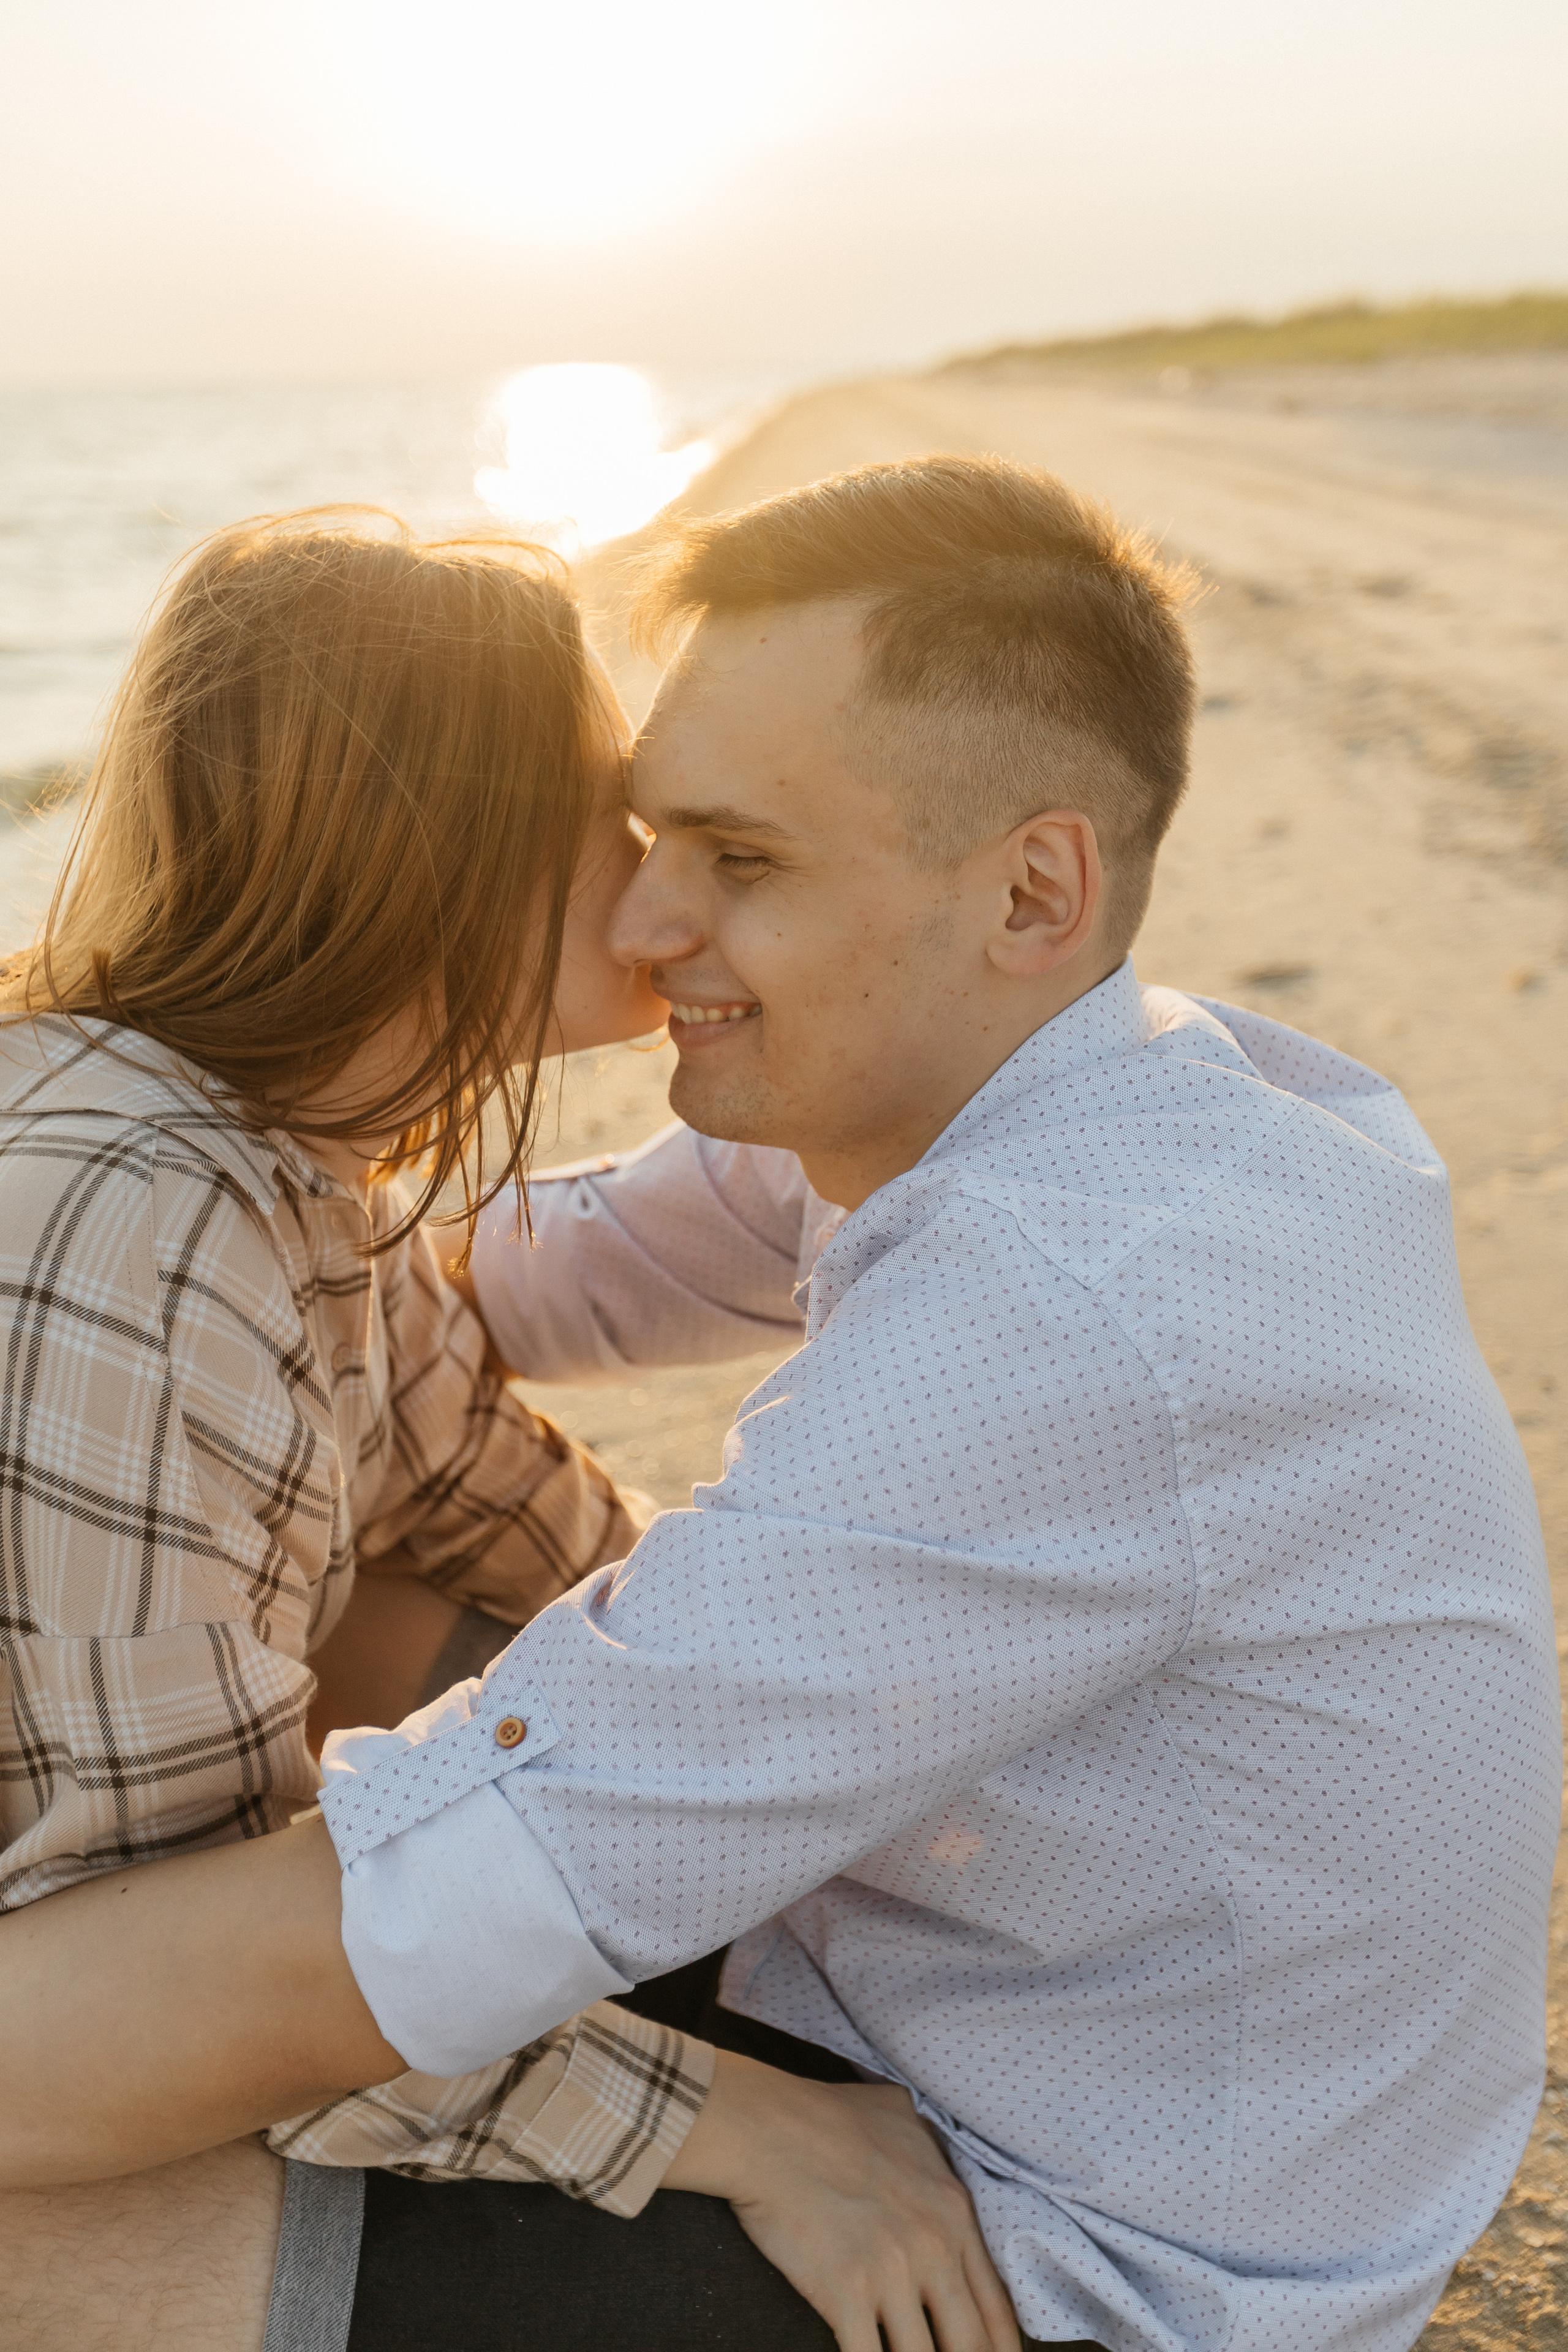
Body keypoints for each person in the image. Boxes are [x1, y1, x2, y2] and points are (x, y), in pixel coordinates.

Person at [1, 455, 1558, 2352]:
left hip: (1070, 2247)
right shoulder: (1106, 1096)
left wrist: (731, 2124)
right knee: (373, 1616)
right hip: (997, 2007)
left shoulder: (1061, 1315)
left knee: (51, 2198)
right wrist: (192, 1196)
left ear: (1032, 888)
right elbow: (526, 1276)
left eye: (739, 861)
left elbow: (380, 1927)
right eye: (641, 834)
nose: (652, 925)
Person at [0, 507, 1021, 2352]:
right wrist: (740, 2127)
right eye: (606, 811)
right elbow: (158, 1981)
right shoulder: (128, 1232)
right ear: (433, 845)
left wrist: (822, 1778)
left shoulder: (298, 1159)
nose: (654, 883)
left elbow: (492, 1504)